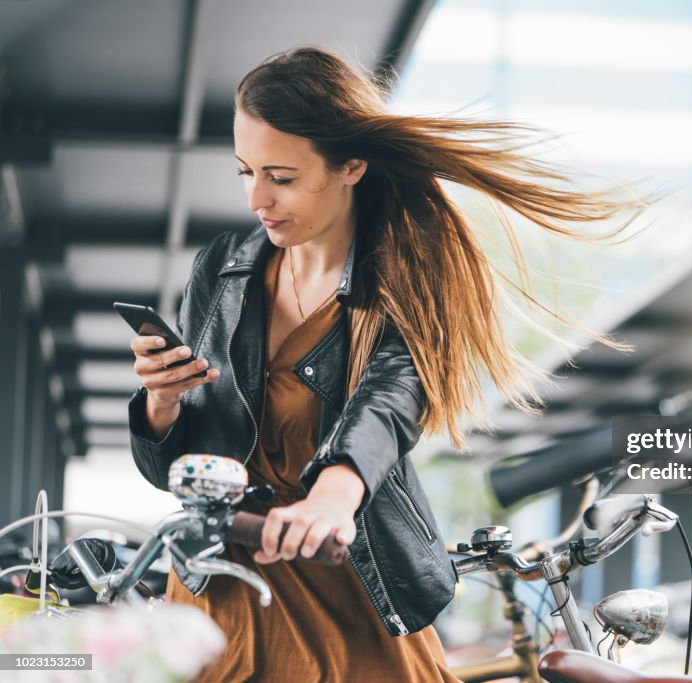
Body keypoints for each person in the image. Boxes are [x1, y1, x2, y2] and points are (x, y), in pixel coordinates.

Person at [127, 46, 644, 681]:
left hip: (351, 585)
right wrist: (163, 401)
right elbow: (170, 470)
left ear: (351, 165)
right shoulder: (223, 268)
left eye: (281, 177)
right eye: (245, 171)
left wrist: (334, 497)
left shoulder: (405, 273)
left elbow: (394, 398)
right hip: (220, 593)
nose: (257, 198)